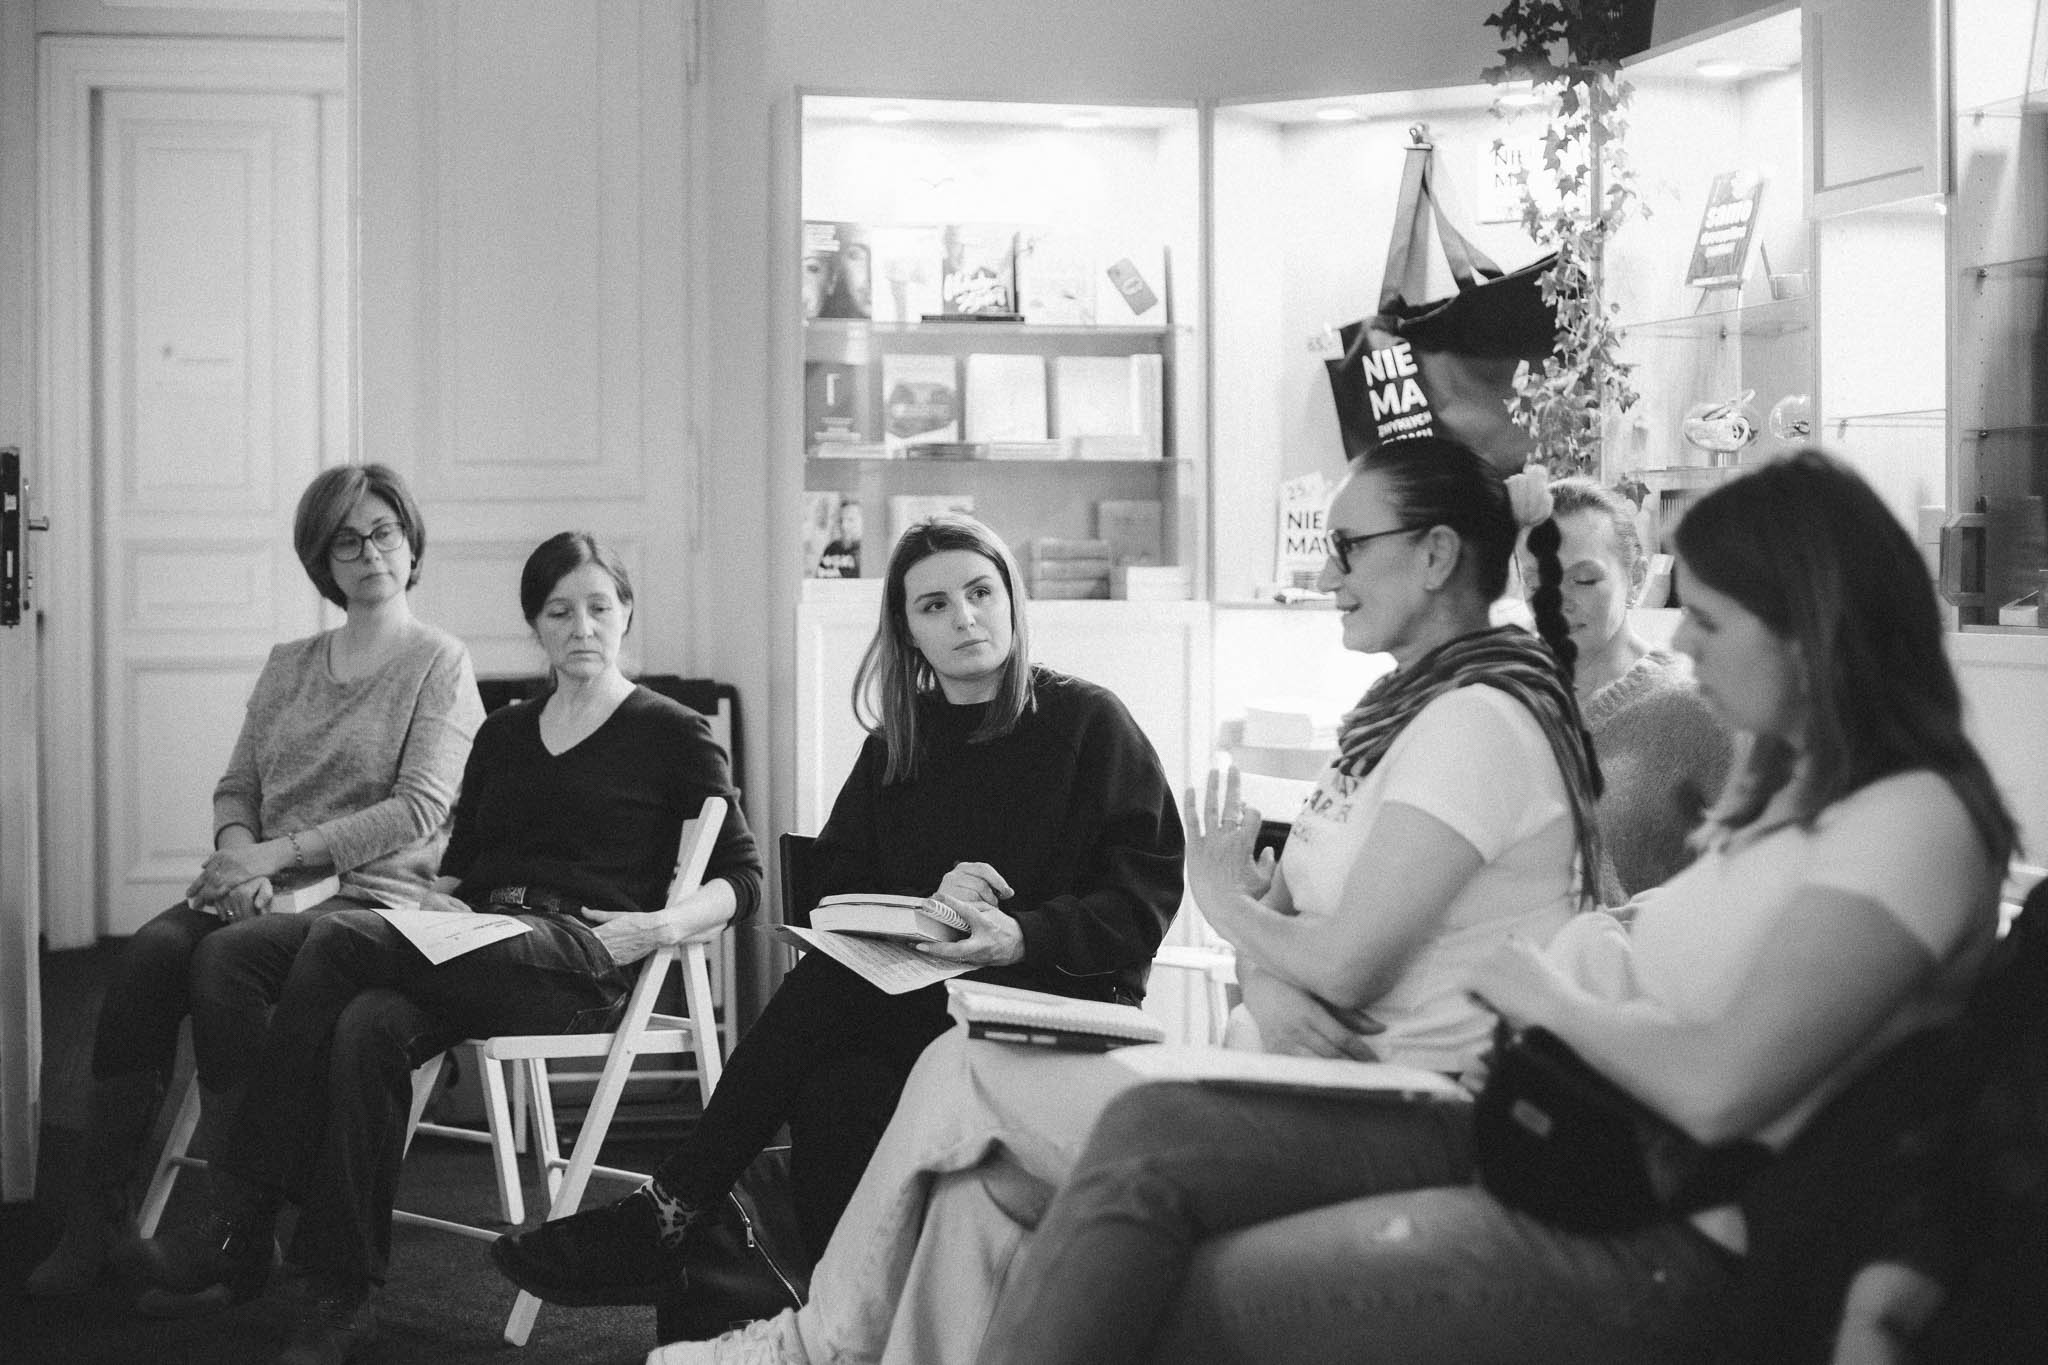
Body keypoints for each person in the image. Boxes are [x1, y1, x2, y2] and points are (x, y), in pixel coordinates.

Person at [964, 448, 2018, 1365]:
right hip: (1556, 1142)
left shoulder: (1911, 820)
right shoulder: (1789, 801)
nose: (1686, 646)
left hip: (1655, 1227)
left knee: (1183, 1272)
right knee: (1120, 1142)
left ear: (1810, 626)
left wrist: (1544, 992)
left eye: (1708, 619)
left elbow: (1717, 1086)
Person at [651, 432, 1609, 1364]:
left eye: (1348, 546)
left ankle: (802, 1339)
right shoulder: (1395, 721)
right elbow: (1295, 940)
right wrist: (1267, 973)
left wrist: (1224, 905)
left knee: (954, 1069)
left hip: (1385, 1091)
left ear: (1435, 555)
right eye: (935, 605)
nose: (1327, 574)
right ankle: (800, 1316)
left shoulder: (1473, 722)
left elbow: (1330, 955)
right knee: (964, 1186)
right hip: (1295, 1059)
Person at [491, 512, 1185, 1309]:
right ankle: (840, 1313)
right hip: (926, 1001)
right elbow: (837, 898)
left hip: (1058, 997)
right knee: (833, 1087)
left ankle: (672, 1208)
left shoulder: (1089, 723)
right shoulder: (897, 744)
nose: (964, 617)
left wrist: (1021, 933)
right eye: (934, 605)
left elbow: (1142, 901)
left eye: (980, 592)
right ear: (908, 630)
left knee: (825, 993)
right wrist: (931, 902)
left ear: (1011, 599)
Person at [116, 531, 762, 1365]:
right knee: (357, 1018)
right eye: (559, 611)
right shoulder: (507, 732)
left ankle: (240, 1215)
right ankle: (341, 1296)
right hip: (478, 936)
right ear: (534, 623)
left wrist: (659, 926)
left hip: (581, 953)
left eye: (599, 607)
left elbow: (742, 876)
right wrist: (434, 904)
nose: (582, 627)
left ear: (626, 613)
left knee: (342, 938)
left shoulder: (672, 731)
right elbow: (462, 865)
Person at [27, 464, 483, 1304]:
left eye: (384, 531)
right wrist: (241, 856)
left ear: (411, 540)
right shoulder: (290, 663)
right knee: (149, 955)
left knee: (224, 962)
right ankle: (97, 1219)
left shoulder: (440, 662)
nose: (370, 552)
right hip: (264, 882)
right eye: (346, 540)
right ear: (322, 559)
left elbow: (418, 808)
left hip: (370, 893)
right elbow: (238, 785)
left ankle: (240, 1227)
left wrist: (276, 857)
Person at [1525, 476, 1729, 899]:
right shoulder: (1507, 704)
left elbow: (1762, 875)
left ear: (1636, 577)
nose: (1555, 600)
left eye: (1583, 580)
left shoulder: (1694, 707)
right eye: (1536, 581)